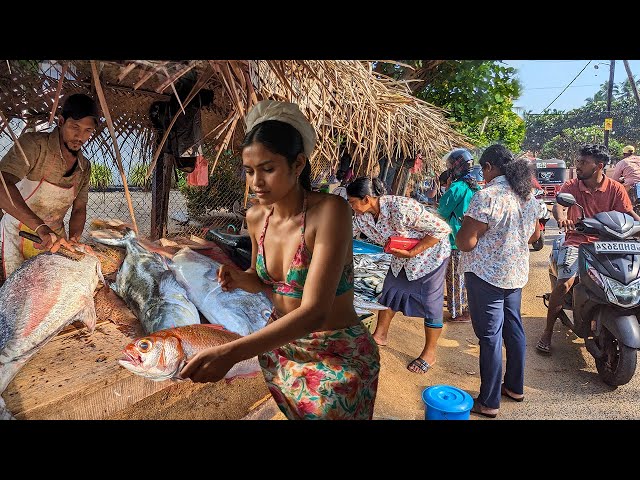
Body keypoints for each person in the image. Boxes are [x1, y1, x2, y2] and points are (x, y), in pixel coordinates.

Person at [179, 100, 380, 420]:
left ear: (298, 164)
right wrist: (239, 278)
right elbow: (264, 281)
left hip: (336, 360)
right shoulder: (257, 216)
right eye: (249, 171)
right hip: (282, 354)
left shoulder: (330, 212)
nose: (255, 183)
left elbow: (314, 312)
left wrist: (230, 352)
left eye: (268, 169)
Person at [456, 144, 545, 418]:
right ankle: (515, 387)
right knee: (513, 328)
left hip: (486, 276)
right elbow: (533, 236)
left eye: (483, 169)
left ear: (489, 167)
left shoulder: (487, 196)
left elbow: (466, 242)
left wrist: (469, 228)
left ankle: (489, 401)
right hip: (514, 274)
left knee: (490, 337)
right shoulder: (527, 196)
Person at [537, 143, 640, 355]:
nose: (578, 166)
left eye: (583, 163)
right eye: (578, 162)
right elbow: (560, 206)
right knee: (564, 283)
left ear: (599, 166)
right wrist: (562, 218)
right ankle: (547, 332)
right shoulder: (572, 186)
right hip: (578, 241)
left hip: (610, 243)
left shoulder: (615, 188)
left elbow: (629, 214)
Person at [346, 176, 451, 374]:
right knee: (390, 292)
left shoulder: (401, 207)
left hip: (430, 257)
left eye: (353, 202)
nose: (352, 207)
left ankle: (429, 353)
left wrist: (413, 252)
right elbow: (343, 235)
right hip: (400, 256)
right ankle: (380, 335)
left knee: (430, 303)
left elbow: (442, 229)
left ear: (366, 199)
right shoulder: (362, 217)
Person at [0, 93, 99, 278]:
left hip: (54, 238)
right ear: (61, 121)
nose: (80, 136)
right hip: (20, 232)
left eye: (88, 130)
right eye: (75, 127)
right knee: (18, 290)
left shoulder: (84, 167)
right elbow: (2, 186)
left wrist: (75, 239)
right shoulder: (34, 146)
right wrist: (40, 228)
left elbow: (79, 208)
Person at [437, 148, 480, 323]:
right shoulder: (474, 185)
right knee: (467, 277)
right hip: (471, 238)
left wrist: (447, 188)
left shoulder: (457, 186)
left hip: (455, 239)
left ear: (456, 167)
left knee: (454, 277)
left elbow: (443, 210)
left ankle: (458, 312)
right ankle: (468, 308)